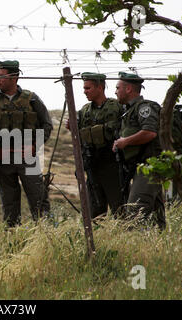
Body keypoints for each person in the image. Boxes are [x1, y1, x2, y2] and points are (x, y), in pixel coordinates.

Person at [0, 60, 53, 228]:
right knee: (9, 205)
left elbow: (47, 125)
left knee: (39, 200)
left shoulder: (32, 99)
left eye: (2, 76)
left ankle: (46, 237)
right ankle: (12, 241)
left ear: (14, 77)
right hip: (3, 160)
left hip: (28, 157)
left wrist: (35, 146)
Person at [66, 72, 124, 218]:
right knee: (94, 211)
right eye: (84, 88)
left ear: (100, 87)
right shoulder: (85, 111)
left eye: (88, 88)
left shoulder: (115, 107)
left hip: (111, 164)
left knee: (119, 208)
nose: (84, 91)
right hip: (92, 165)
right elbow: (78, 135)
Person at [112, 72, 166, 230]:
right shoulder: (128, 111)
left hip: (149, 166)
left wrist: (125, 142)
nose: (115, 91)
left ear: (128, 89)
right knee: (155, 213)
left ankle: (137, 247)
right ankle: (160, 245)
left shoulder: (144, 108)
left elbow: (150, 132)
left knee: (135, 209)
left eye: (117, 88)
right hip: (140, 166)